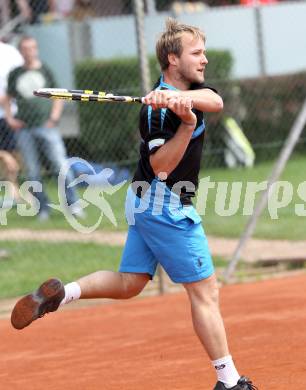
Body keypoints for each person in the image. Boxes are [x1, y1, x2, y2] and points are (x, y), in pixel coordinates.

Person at [10, 19, 257, 390]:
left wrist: (183, 100)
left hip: (142, 201)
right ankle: (229, 381)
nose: (204, 59)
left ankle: (63, 296)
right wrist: (185, 125)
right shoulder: (155, 112)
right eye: (196, 53)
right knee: (205, 292)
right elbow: (160, 166)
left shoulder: (191, 90)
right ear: (173, 59)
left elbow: (216, 101)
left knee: (130, 283)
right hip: (163, 203)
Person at [4, 35, 83, 221]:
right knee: (32, 171)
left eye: (31, 47)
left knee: (60, 165)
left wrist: (54, 117)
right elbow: (7, 97)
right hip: (24, 129)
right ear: (21, 51)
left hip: (46, 127)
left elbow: (59, 95)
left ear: (36, 49)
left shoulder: (46, 70)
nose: (28, 51)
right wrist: (9, 118)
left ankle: (73, 205)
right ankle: (42, 210)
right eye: (24, 48)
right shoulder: (16, 74)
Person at [0, 40, 24, 206]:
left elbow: (22, 78)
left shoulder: (10, 52)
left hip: (10, 114)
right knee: (6, 156)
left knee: (13, 155)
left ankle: (13, 192)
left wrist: (8, 98)